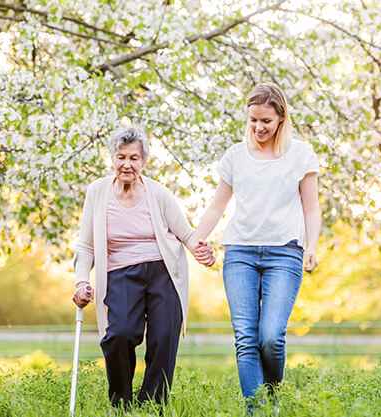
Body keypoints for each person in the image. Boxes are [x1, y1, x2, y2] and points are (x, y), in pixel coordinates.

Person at [193, 83, 321, 414]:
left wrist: (312, 246)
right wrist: (196, 238)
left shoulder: (300, 154)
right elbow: (216, 206)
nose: (258, 128)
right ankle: (257, 410)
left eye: (265, 121)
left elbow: (311, 208)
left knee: (271, 336)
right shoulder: (236, 156)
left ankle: (272, 397)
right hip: (240, 254)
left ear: (281, 118)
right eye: (253, 121)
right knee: (246, 338)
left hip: (285, 253)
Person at [71, 127, 213, 410]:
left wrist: (201, 250)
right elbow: (86, 246)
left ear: (143, 161)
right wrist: (80, 281)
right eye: (121, 157)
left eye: (134, 158)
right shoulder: (97, 193)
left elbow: (186, 234)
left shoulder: (158, 194)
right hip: (121, 273)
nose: (127, 164)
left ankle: (152, 405)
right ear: (112, 158)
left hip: (163, 272)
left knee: (163, 338)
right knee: (119, 335)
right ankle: (121, 403)